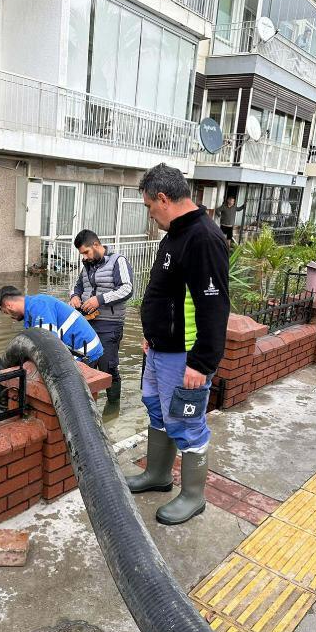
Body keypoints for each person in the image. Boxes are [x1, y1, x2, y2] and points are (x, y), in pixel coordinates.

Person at [126, 164, 230, 526]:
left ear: (163, 199)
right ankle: (158, 475)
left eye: (148, 207)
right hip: (158, 348)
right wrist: (151, 334)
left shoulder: (203, 238)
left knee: (187, 424)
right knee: (156, 409)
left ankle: (192, 496)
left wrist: (201, 364)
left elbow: (214, 306)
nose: (149, 214)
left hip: (183, 354)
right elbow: (166, 294)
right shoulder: (175, 235)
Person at [70, 230, 133, 403]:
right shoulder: (87, 264)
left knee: (108, 367)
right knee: (85, 366)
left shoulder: (118, 261)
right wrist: (74, 296)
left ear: (96, 245)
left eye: (86, 252)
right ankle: (89, 409)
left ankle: (113, 408)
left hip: (110, 325)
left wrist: (100, 300)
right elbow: (78, 286)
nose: (84, 257)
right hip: (86, 323)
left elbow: (127, 289)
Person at [0, 286, 103, 365]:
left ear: (9, 305)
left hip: (85, 352)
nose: (10, 317)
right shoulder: (32, 309)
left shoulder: (38, 306)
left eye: (6, 312)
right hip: (79, 348)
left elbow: (48, 344)